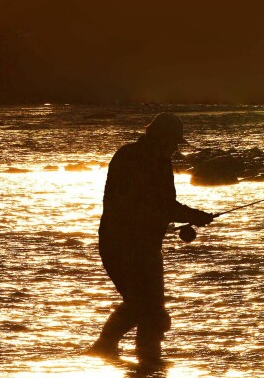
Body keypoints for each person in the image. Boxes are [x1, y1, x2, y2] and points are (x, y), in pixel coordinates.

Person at [87, 113, 214, 362]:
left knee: (145, 307)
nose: (176, 147)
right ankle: (125, 355)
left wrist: (186, 216)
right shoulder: (145, 161)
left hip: (129, 244)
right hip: (128, 247)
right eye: (174, 141)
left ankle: (143, 368)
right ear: (161, 138)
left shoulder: (135, 156)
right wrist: (195, 216)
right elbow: (161, 206)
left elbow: (160, 207)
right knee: (145, 307)